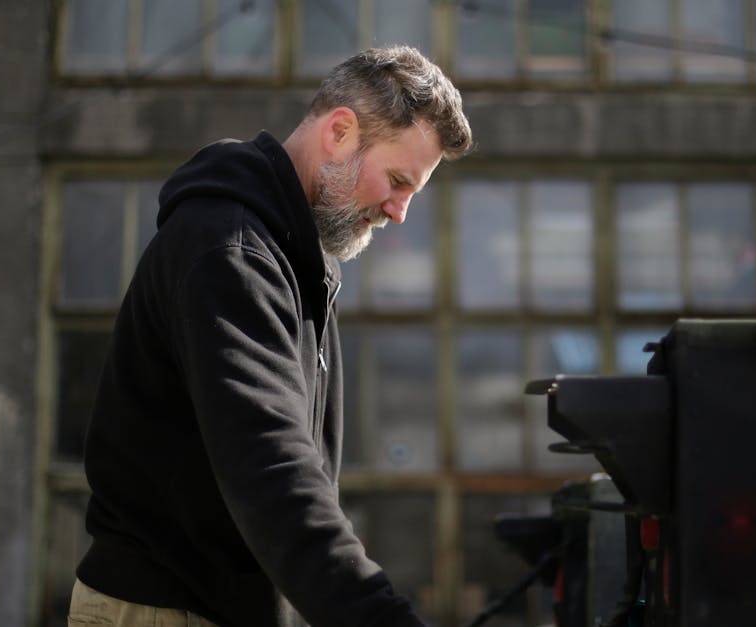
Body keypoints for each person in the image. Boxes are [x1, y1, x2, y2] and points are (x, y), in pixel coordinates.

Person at [68, 45, 472, 627]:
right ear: (339, 131)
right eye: (398, 180)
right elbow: (273, 469)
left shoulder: (298, 259)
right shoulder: (228, 252)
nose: (399, 211)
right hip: (162, 612)